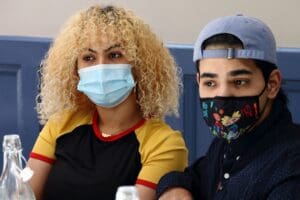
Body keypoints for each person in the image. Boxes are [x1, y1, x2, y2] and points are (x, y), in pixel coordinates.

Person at [27, 5, 188, 200]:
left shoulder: (164, 144)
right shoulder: (61, 124)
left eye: (115, 55)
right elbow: (22, 195)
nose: (101, 66)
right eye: (88, 57)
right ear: (74, 69)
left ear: (139, 65)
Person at [156, 14, 300, 199]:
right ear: (198, 82)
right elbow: (193, 176)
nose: (223, 95)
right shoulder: (229, 142)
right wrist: (175, 188)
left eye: (239, 82)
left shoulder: (291, 170)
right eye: (210, 83)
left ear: (272, 84)